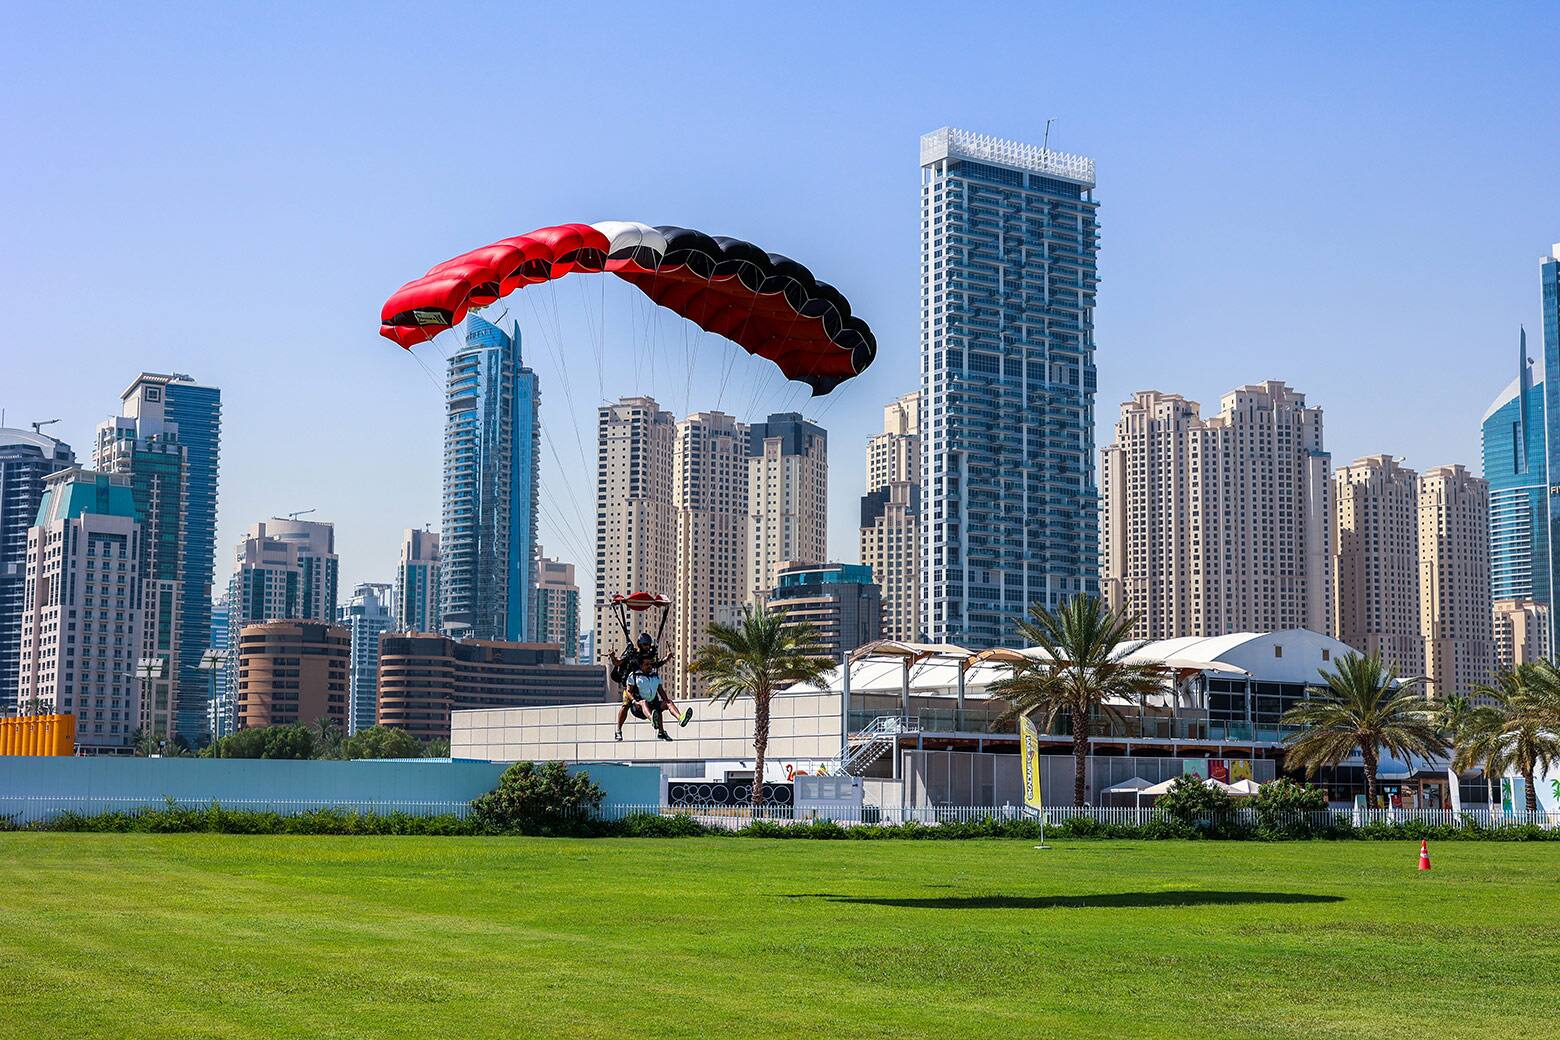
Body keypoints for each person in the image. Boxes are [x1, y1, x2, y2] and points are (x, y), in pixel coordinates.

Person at [614, 656, 693, 742]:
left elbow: (661, 691)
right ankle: (652, 719)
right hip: (639, 708)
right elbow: (628, 691)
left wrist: (666, 702)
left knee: (668, 702)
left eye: (651, 664)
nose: (649, 666)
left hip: (652, 705)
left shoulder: (654, 676)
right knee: (643, 702)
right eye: (646, 664)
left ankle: (680, 719)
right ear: (641, 665)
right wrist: (634, 701)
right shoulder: (634, 676)